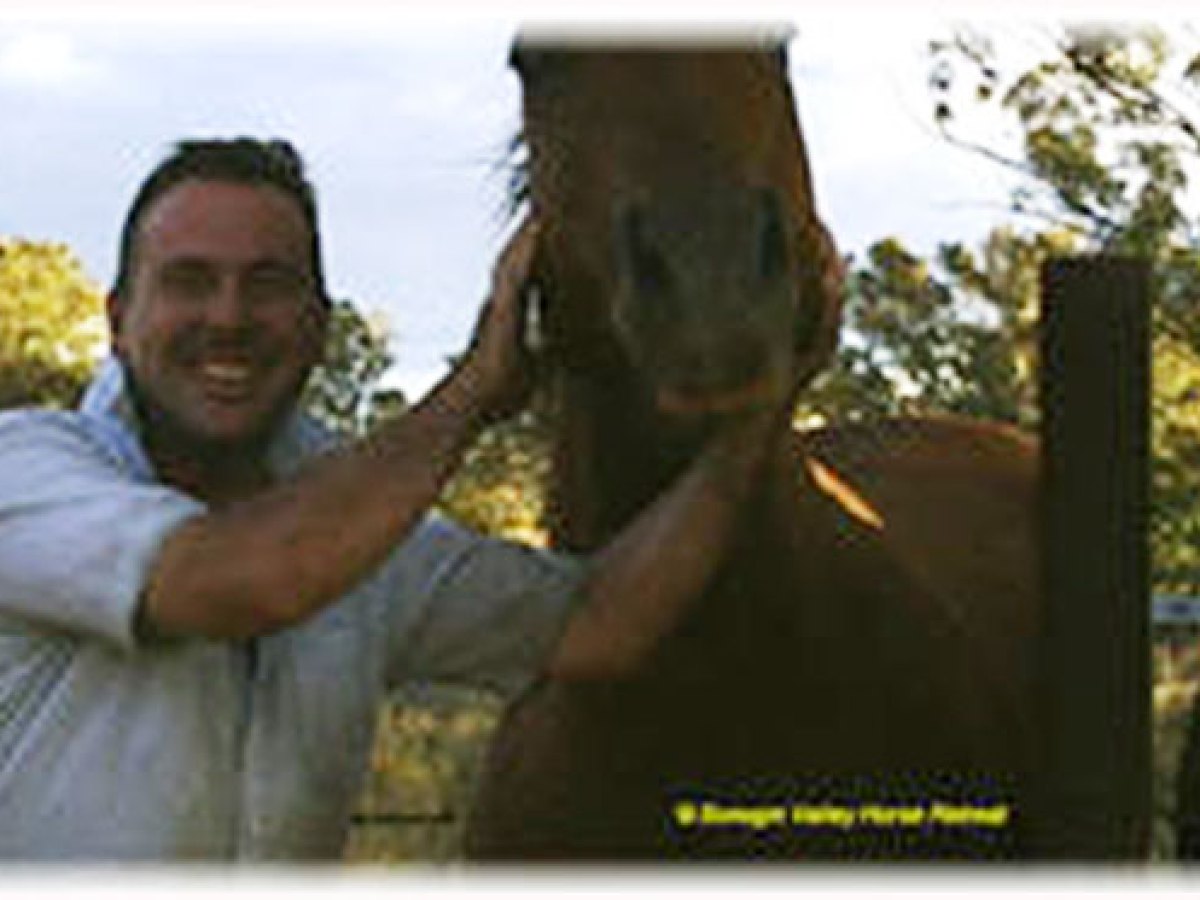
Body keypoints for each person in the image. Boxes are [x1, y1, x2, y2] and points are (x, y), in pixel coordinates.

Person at [0, 138, 794, 861]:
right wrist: (476, 389)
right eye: (189, 281)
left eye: (268, 284)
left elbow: (600, 622)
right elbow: (227, 583)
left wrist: (753, 421)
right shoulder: (25, 468)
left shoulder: (365, 544)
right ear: (116, 320)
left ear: (319, 327)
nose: (229, 317)